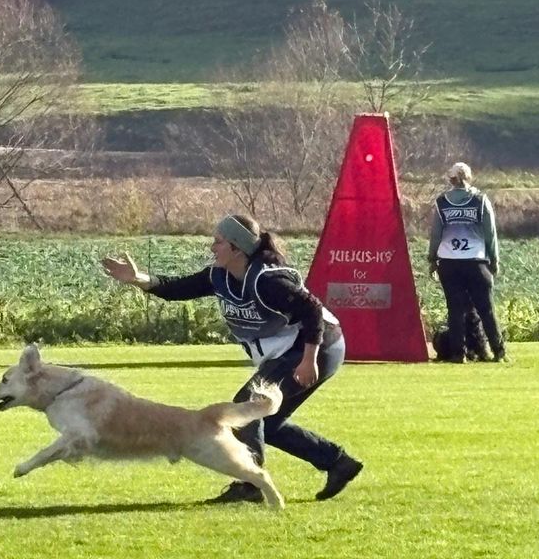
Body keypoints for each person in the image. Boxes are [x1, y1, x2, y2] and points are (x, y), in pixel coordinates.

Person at [101, 214, 363, 503]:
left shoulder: (268, 280)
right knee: (266, 423)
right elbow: (177, 288)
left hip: (319, 347)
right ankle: (337, 462)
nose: (212, 247)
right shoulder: (220, 276)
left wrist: (309, 359)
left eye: (218, 242)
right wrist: (138, 279)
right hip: (294, 351)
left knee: (248, 405)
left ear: (237, 248)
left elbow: (312, 310)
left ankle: (251, 486)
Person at [427, 162, 507, 363]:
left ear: (451, 179)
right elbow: (490, 234)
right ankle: (499, 352)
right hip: (476, 261)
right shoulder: (480, 200)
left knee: (455, 310)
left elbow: (436, 235)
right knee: (486, 309)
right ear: (469, 177)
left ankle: (458, 354)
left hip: (449, 263)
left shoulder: (442, 202)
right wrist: (494, 260)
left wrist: (432, 259)